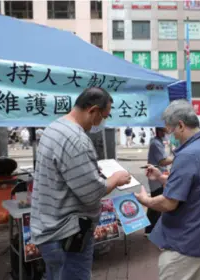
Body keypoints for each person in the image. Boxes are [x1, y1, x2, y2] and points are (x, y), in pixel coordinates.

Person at [30, 87, 132, 280]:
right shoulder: (77, 140)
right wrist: (116, 178)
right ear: (92, 110)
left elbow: (68, 175)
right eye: (104, 116)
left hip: (49, 229)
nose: (103, 121)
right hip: (67, 235)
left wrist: (92, 173)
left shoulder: (54, 127)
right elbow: (93, 192)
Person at [135, 100, 200, 280]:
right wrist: (161, 177)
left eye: (170, 130)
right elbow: (192, 185)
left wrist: (146, 201)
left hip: (183, 242)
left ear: (180, 125)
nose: (169, 136)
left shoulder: (188, 155)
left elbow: (169, 202)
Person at [144, 127, 173, 237]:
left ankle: (151, 229)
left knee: (156, 204)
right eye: (164, 131)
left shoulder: (157, 142)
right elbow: (163, 161)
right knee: (156, 204)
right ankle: (150, 230)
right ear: (160, 131)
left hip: (158, 177)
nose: (166, 133)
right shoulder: (156, 143)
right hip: (156, 178)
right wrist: (177, 157)